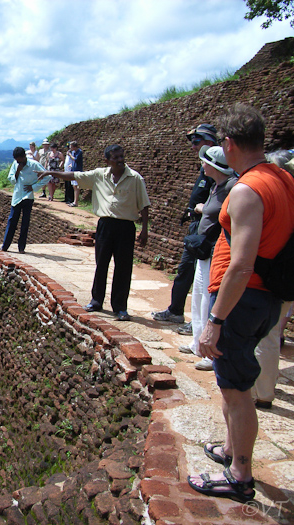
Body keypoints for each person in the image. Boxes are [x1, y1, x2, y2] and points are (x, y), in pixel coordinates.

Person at [188, 104, 294, 503]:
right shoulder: (282, 178)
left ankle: (239, 474)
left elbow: (242, 263)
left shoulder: (248, 190)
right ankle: (232, 449)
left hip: (243, 298)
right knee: (232, 380)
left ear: (229, 144)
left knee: (236, 390)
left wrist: (215, 319)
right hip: (264, 296)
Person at [35, 144, 150, 321]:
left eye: (121, 156)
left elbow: (144, 205)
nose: (120, 160)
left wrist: (144, 231)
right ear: (107, 160)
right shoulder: (99, 175)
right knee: (101, 264)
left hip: (126, 227)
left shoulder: (135, 178)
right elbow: (73, 175)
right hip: (105, 225)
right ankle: (97, 301)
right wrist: (52, 173)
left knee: (123, 268)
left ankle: (120, 308)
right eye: (116, 157)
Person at [178, 146, 237, 372]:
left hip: (217, 251)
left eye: (204, 161)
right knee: (199, 296)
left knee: (209, 300)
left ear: (213, 165)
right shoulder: (217, 186)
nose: (201, 164)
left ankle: (209, 351)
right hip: (204, 252)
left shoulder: (232, 187)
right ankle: (197, 342)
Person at [152, 124, 216, 332]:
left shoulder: (220, 166)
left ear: (209, 142)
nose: (193, 147)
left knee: (203, 277)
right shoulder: (205, 166)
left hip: (208, 229)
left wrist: (202, 208)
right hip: (196, 226)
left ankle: (199, 324)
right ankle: (176, 311)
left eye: (196, 142)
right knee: (185, 271)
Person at [251, 149, 294, 408]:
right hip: (285, 276)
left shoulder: (278, 198)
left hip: (276, 275)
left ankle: (262, 392)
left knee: (265, 334)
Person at [0, 147, 51, 254]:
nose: (18, 162)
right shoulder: (15, 164)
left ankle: (21, 247)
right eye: (17, 160)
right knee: (12, 221)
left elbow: (47, 176)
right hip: (17, 196)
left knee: (25, 223)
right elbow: (12, 180)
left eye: (20, 160)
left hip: (28, 196)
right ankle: (5, 245)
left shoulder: (34, 165)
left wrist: (34, 187)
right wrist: (17, 171)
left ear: (24, 157)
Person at [66, 141, 83, 206]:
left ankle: (76, 202)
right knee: (74, 186)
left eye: (71, 146)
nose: (70, 148)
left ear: (75, 147)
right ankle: (74, 201)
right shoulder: (73, 152)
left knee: (76, 186)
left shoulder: (79, 152)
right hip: (73, 170)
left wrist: (70, 155)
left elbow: (75, 159)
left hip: (77, 171)